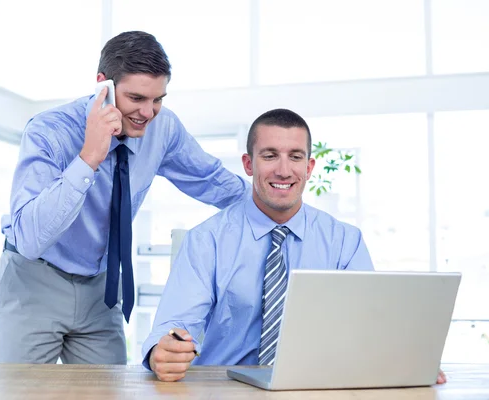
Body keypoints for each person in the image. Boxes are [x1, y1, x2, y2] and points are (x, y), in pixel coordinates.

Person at [0, 31, 249, 365]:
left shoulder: (163, 129)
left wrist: (278, 205)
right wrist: (89, 158)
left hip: (101, 291)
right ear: (104, 85)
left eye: (158, 99)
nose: (148, 112)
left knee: (111, 392)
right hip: (34, 282)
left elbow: (212, 181)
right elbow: (29, 238)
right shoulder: (49, 131)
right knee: (23, 393)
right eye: (136, 98)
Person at [142, 108, 447, 385]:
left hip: (319, 387)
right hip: (225, 388)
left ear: (309, 166)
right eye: (270, 155)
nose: (284, 170)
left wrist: (406, 357)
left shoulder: (344, 241)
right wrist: (164, 350)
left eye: (296, 156)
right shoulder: (206, 240)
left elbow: (369, 326)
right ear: (248, 164)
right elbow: (175, 324)